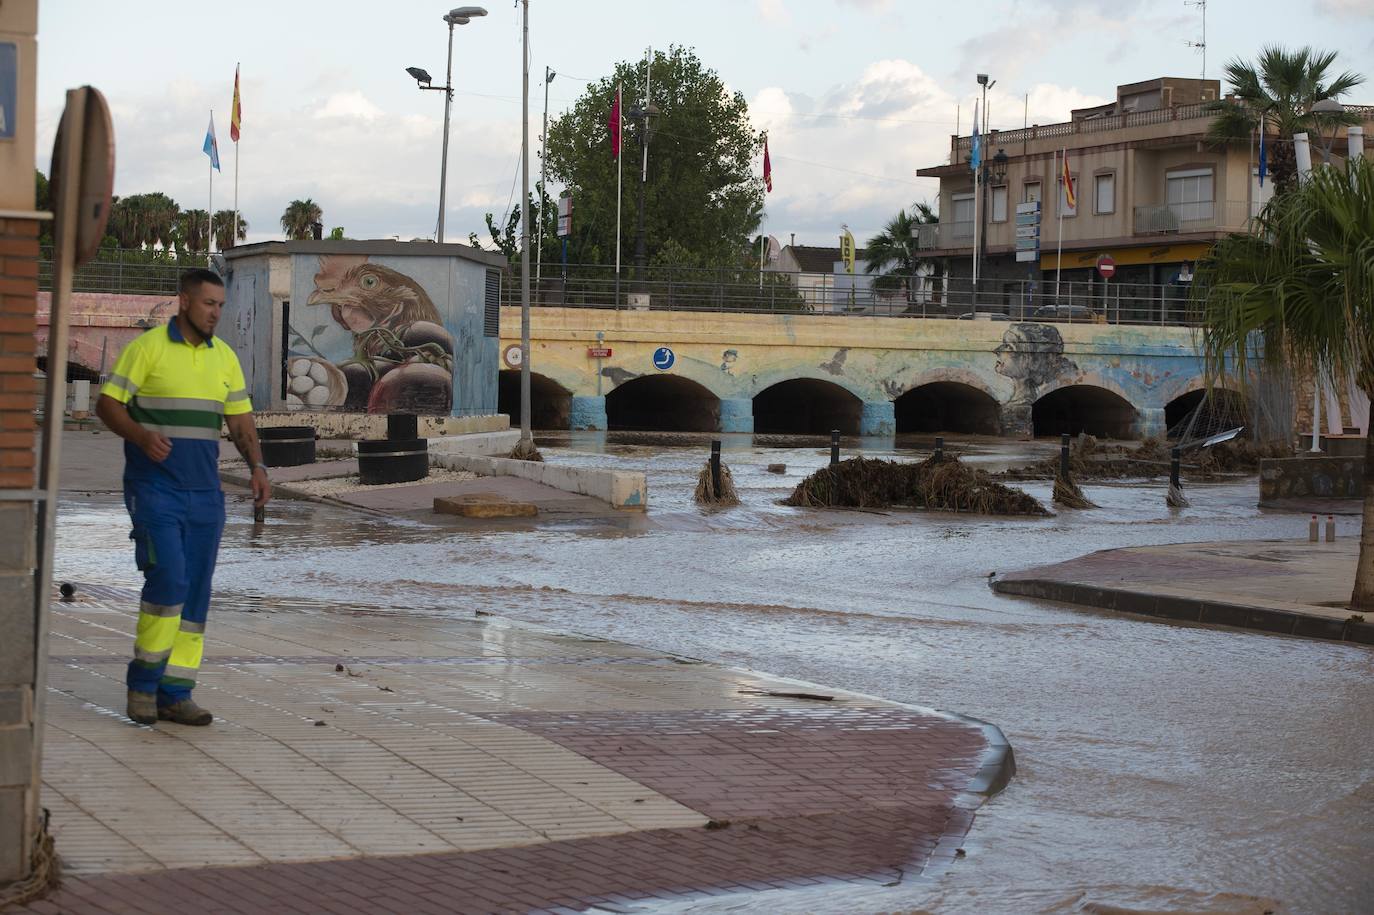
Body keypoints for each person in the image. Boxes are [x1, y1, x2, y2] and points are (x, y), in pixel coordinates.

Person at [95, 268, 271, 726]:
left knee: (194, 597)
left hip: (205, 495)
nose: (215, 312)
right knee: (168, 583)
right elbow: (107, 403)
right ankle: (143, 686)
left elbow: (240, 423)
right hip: (155, 490)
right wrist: (139, 434)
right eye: (208, 303)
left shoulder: (225, 358)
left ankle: (176, 693)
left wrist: (257, 466)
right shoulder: (147, 349)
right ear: (185, 302)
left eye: (220, 305)